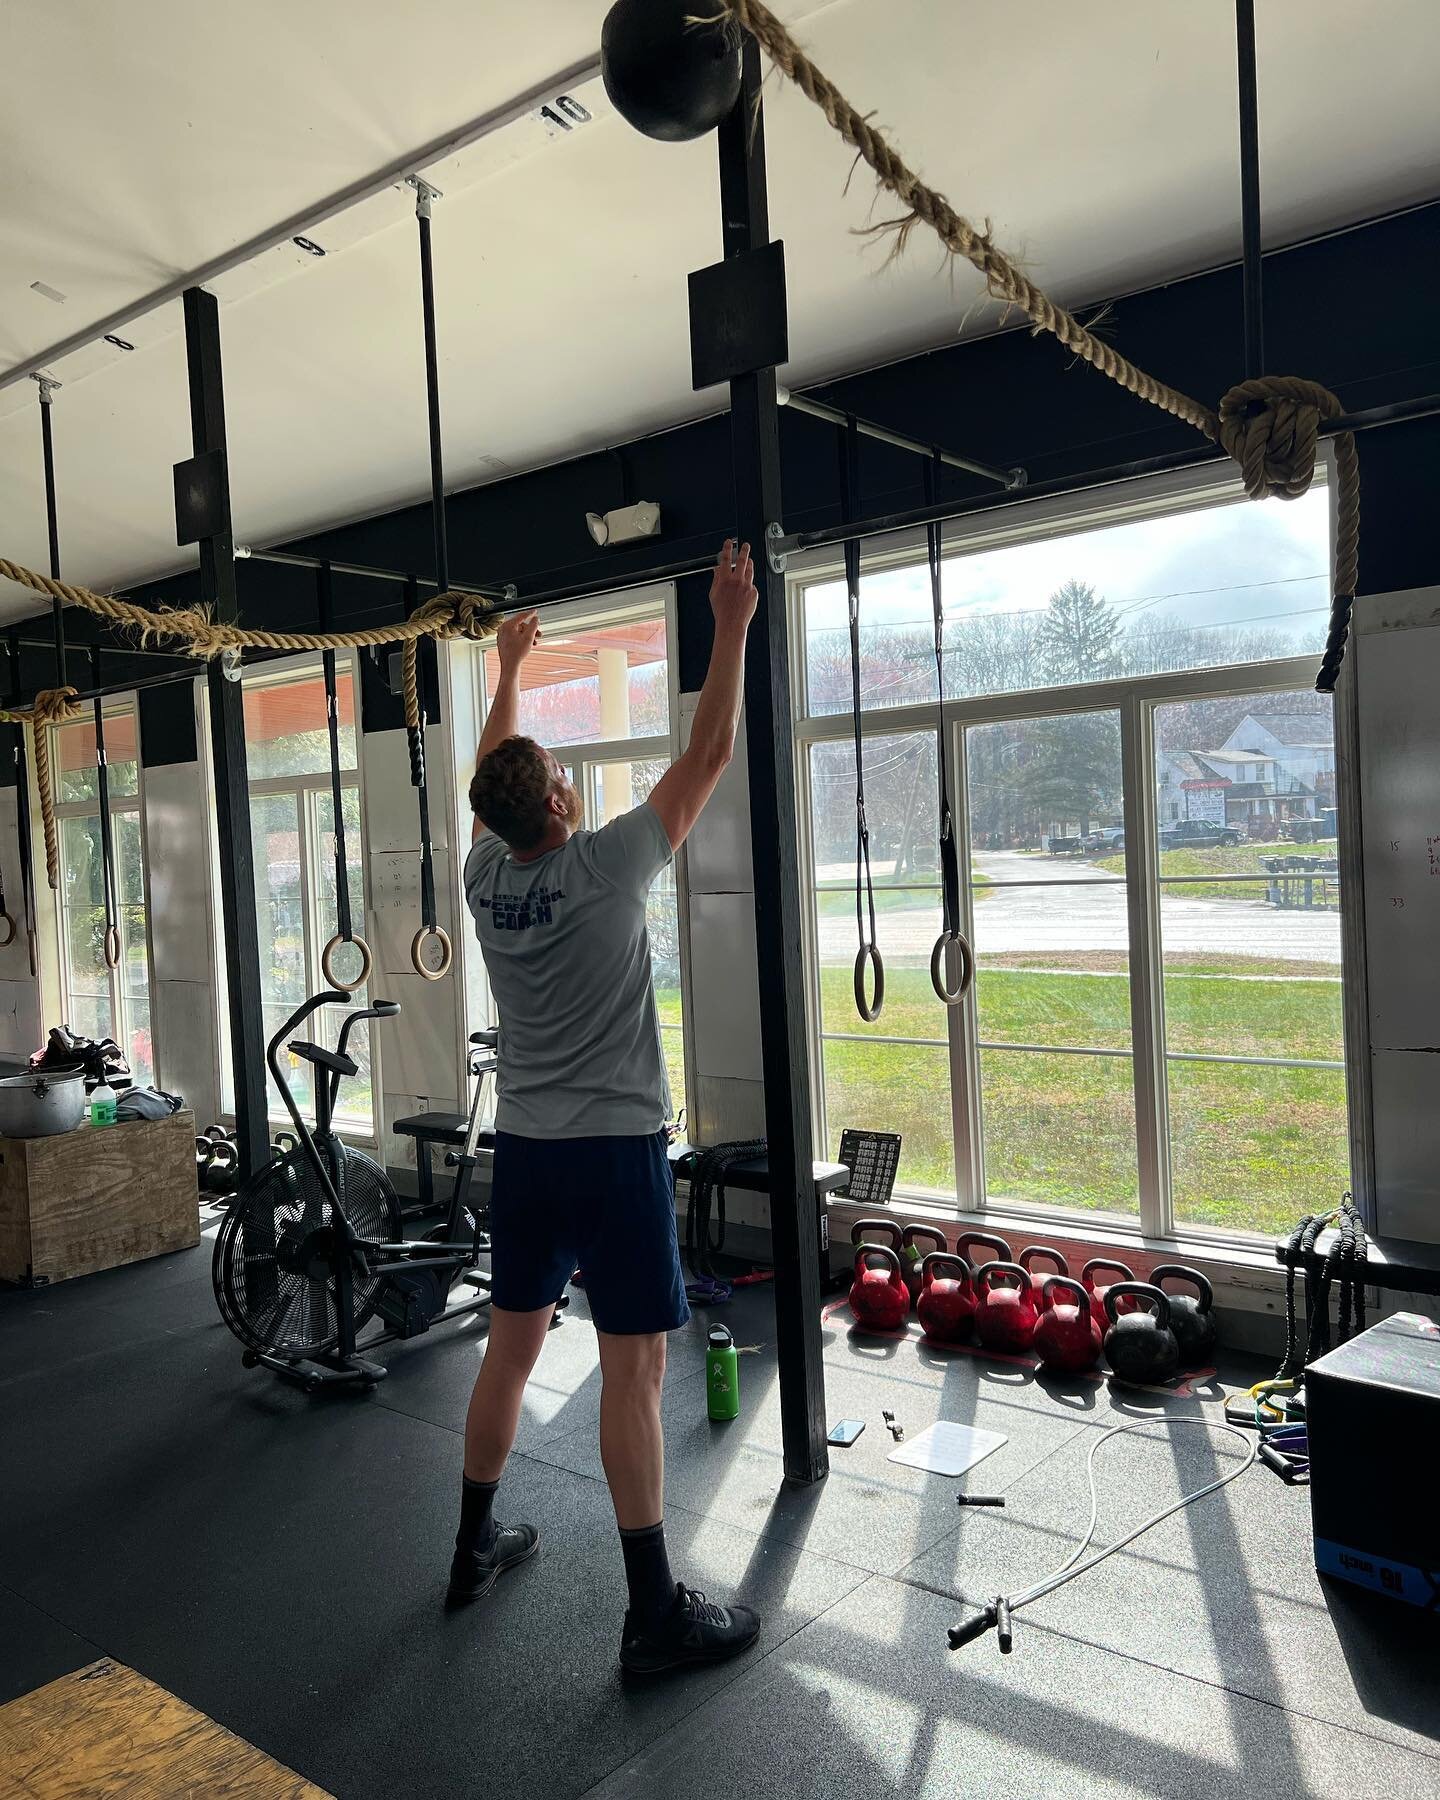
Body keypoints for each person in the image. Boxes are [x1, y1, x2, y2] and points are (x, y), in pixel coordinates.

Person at [451, 540, 761, 1677]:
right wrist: (728, 622)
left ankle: (469, 1545)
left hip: (526, 1156)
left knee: (508, 1353)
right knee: (634, 1373)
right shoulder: (607, 864)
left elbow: (496, 776)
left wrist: (506, 672)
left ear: (496, 820)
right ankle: (651, 1613)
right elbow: (711, 749)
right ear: (563, 799)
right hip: (616, 1153)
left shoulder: (486, 881)